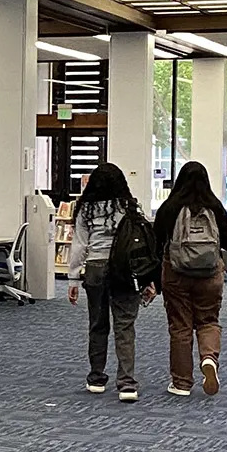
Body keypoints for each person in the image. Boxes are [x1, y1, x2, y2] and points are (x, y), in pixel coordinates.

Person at [66, 163, 156, 402]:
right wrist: (148, 279)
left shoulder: (85, 209)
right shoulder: (130, 206)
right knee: (124, 326)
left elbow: (79, 245)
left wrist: (73, 278)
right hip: (125, 270)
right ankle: (127, 384)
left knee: (97, 324)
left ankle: (96, 377)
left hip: (95, 268)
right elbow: (142, 245)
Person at [154, 161, 227, 398]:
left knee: (180, 326)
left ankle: (181, 383)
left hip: (176, 273)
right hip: (210, 275)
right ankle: (209, 358)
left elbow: (156, 240)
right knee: (208, 320)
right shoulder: (215, 206)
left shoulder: (170, 207)